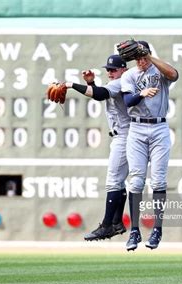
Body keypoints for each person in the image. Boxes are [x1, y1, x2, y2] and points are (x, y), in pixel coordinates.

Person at [120, 41, 179, 251]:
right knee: (136, 181)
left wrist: (151, 56)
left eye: (143, 57)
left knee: (159, 180)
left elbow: (174, 74)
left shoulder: (158, 70)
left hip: (159, 127)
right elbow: (128, 101)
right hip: (136, 130)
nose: (141, 61)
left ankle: (157, 229)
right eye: (138, 58)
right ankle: (134, 230)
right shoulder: (129, 75)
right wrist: (142, 94)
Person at [64, 55, 129, 241]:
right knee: (120, 181)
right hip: (126, 135)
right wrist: (92, 83)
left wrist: (71, 85)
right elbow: (102, 92)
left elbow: (100, 94)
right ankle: (116, 222)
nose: (110, 72)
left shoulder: (121, 81)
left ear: (123, 69)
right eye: (108, 69)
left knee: (113, 181)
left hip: (124, 136)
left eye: (114, 69)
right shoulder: (119, 82)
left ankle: (107, 225)